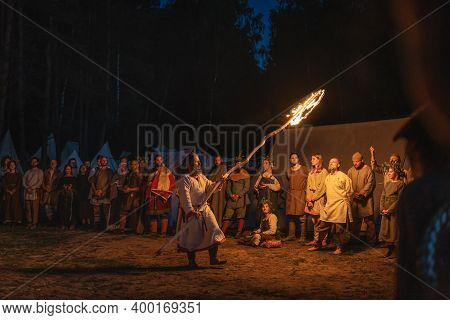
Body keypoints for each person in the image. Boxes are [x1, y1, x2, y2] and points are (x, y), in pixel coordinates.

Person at [176, 152, 226, 268]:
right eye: (195, 162)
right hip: (193, 212)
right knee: (192, 237)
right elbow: (185, 197)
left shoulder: (202, 177)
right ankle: (192, 262)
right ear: (189, 165)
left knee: (214, 229)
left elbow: (210, 186)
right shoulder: (186, 180)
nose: (198, 164)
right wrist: (190, 210)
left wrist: (219, 182)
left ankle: (213, 258)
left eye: (199, 162)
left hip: (205, 209)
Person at [308, 158, 353, 255]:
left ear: (338, 165)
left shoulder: (343, 176)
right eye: (330, 162)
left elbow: (349, 191)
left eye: (334, 162)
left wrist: (343, 200)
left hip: (340, 205)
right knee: (322, 226)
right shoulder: (328, 177)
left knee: (339, 229)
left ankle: (339, 248)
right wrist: (313, 198)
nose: (331, 163)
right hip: (330, 206)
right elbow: (322, 191)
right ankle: (318, 245)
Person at [347, 152, 376, 245]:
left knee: (369, 221)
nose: (355, 163)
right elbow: (348, 184)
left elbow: (370, 183)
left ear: (362, 161)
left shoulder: (368, 170)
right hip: (355, 200)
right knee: (355, 221)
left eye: (357, 161)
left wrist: (362, 193)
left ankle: (371, 241)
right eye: (353, 161)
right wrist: (352, 194)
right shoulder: (350, 171)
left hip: (366, 200)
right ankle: (354, 240)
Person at [145, 154, 175, 237]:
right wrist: (150, 182)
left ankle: (163, 233)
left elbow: (172, 182)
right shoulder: (152, 171)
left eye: (160, 160)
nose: (159, 161)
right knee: (153, 214)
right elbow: (147, 181)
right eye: (157, 160)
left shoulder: (167, 171)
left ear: (162, 160)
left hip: (162, 195)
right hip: (153, 195)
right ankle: (153, 232)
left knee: (164, 214)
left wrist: (165, 191)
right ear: (155, 161)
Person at [378, 166, 405, 258]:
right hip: (385, 209)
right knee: (386, 229)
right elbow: (383, 196)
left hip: (393, 210)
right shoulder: (388, 183)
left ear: (396, 173)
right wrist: (382, 208)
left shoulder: (400, 184)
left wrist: (390, 209)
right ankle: (389, 249)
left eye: (391, 172)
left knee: (393, 229)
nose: (388, 173)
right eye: (388, 172)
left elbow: (399, 198)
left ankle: (395, 251)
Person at [221, 157, 250, 238]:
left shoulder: (245, 174)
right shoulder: (231, 175)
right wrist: (231, 195)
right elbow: (228, 187)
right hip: (232, 199)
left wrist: (238, 195)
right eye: (237, 163)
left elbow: (246, 188)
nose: (238, 165)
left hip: (241, 199)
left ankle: (239, 232)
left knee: (240, 216)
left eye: (240, 163)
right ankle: (222, 233)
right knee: (227, 216)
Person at [283, 153, 308, 243]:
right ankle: (291, 235)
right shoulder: (288, 171)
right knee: (291, 216)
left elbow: (309, 181)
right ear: (290, 160)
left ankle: (303, 236)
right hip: (291, 194)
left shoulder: (304, 169)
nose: (294, 159)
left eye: (295, 158)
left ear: (298, 159)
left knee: (302, 216)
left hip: (301, 193)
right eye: (292, 158)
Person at [304, 154, 328, 246]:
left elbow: (322, 187)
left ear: (319, 160)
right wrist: (308, 199)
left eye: (313, 159)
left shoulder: (324, 172)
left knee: (321, 220)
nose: (311, 161)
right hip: (311, 199)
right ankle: (316, 239)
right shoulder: (311, 172)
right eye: (311, 159)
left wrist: (313, 198)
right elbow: (308, 187)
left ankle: (323, 240)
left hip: (319, 199)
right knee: (314, 221)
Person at [89, 155, 115, 230]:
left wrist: (101, 190)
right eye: (103, 160)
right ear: (100, 161)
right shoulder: (97, 170)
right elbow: (92, 181)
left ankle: (107, 227)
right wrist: (95, 191)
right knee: (96, 211)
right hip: (96, 194)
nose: (104, 161)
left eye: (105, 160)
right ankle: (97, 226)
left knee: (106, 211)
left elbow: (109, 182)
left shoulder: (109, 171)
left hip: (105, 194)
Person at [119, 159, 143, 233]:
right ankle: (121, 229)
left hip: (135, 197)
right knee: (122, 212)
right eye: (132, 164)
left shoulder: (139, 175)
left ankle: (135, 230)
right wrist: (125, 187)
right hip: (127, 195)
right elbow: (126, 183)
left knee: (134, 213)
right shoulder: (129, 173)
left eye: (135, 164)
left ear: (138, 165)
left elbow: (141, 188)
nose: (133, 166)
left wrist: (130, 189)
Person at [23, 157, 44, 230]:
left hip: (35, 191)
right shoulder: (27, 172)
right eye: (32, 161)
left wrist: (32, 187)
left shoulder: (40, 171)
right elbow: (24, 180)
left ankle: (34, 223)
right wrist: (27, 187)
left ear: (37, 163)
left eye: (35, 161)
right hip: (27, 191)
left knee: (35, 208)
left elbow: (40, 181)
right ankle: (29, 222)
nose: (33, 163)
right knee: (28, 208)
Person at [207, 155, 227, 227]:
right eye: (215, 160)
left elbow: (222, 179)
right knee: (212, 207)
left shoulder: (223, 168)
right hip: (212, 190)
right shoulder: (213, 169)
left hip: (219, 192)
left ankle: (217, 225)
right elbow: (209, 178)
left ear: (221, 160)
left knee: (217, 207)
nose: (216, 162)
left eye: (218, 160)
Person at [57, 165, 78, 230]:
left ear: (71, 170)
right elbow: (59, 186)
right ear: (65, 170)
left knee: (72, 210)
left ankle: (72, 224)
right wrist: (63, 187)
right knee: (62, 210)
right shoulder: (62, 178)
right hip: (63, 197)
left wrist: (71, 187)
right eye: (66, 169)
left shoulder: (74, 178)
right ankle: (63, 224)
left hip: (71, 197)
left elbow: (76, 187)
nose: (68, 170)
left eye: (69, 169)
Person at [2, 160, 22, 225]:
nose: (12, 166)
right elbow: (4, 183)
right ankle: (8, 219)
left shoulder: (18, 174)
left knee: (15, 204)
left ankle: (16, 219)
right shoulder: (6, 175)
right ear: (9, 166)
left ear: (15, 166)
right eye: (10, 165)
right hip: (8, 191)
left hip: (15, 191)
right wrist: (7, 190)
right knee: (7, 205)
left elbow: (19, 183)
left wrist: (14, 190)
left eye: (13, 164)